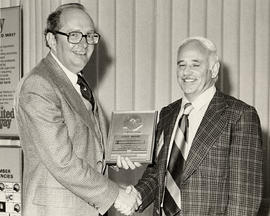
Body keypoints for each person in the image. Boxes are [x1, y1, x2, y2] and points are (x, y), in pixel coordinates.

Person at [14, 3, 140, 216]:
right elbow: (62, 162)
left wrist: (116, 156)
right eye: (74, 35)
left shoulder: (77, 82)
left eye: (90, 36)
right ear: (51, 40)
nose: (84, 44)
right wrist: (116, 194)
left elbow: (85, 144)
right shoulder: (39, 85)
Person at [121, 36, 264, 215]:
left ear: (214, 69)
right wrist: (137, 195)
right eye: (181, 65)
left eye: (195, 65)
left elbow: (244, 198)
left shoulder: (239, 115)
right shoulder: (167, 114)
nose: (186, 72)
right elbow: (159, 173)